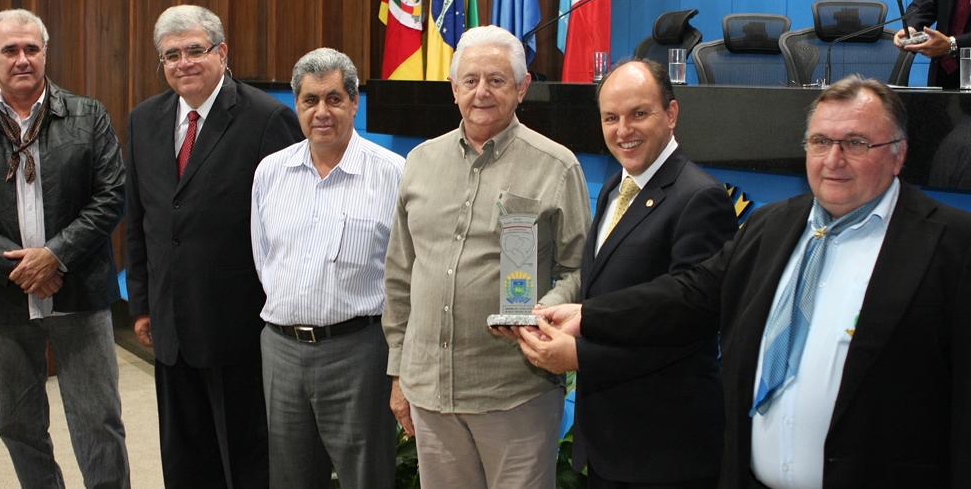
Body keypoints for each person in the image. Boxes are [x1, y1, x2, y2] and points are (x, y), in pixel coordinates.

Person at [531, 76, 971, 488]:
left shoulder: (951, 246)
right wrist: (591, 314)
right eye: (820, 141)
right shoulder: (771, 227)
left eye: (855, 143)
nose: (833, 159)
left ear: (898, 152)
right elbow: (690, 294)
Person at [383, 25, 592, 489]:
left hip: (514, 393)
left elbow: (578, 268)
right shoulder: (419, 162)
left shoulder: (557, 166)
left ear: (522, 88)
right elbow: (400, 273)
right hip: (430, 392)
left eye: (497, 80)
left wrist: (540, 312)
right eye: (470, 80)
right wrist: (399, 372)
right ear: (453, 88)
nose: (482, 92)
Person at [520, 59, 736, 488]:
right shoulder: (618, 186)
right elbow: (606, 290)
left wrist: (581, 355)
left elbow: (688, 325)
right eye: (611, 117)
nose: (623, 130)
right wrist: (564, 311)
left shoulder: (700, 198)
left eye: (639, 113)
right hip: (611, 443)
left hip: (665, 449)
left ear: (671, 114)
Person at [0, 8, 129, 487]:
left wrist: (55, 256)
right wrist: (22, 268)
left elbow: (111, 196)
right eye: (10, 50)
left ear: (46, 52)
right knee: (19, 425)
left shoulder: (88, 116)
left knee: (98, 423)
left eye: (32, 48)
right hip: (6, 297)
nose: (22, 58)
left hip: (79, 292)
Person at [125, 4, 303, 488]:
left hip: (239, 330)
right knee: (184, 462)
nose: (183, 63)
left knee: (247, 463)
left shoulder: (268, 120)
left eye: (195, 51)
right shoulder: (144, 120)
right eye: (171, 55)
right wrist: (141, 305)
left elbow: (287, 230)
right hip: (170, 327)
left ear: (222, 53)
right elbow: (140, 221)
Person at [250, 48, 401, 488]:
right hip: (281, 351)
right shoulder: (270, 172)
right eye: (309, 100)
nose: (322, 112)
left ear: (355, 103)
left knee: (365, 476)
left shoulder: (392, 173)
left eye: (334, 99)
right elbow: (265, 260)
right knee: (291, 477)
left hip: (358, 352)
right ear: (295, 106)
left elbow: (402, 275)